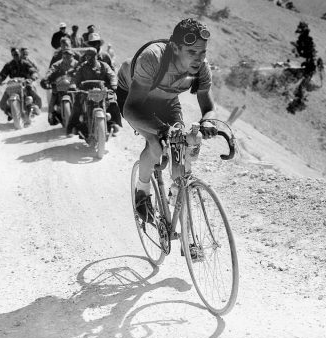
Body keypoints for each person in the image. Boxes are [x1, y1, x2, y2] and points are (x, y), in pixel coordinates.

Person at [120, 18, 218, 221]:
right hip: (135, 99)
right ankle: (142, 191)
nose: (198, 58)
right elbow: (130, 110)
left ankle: (176, 188)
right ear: (174, 48)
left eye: (202, 52)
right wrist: (161, 130)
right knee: (156, 144)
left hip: (167, 99)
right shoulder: (152, 58)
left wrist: (208, 122)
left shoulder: (201, 68)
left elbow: (209, 108)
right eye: (192, 52)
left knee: (180, 142)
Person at [68, 47, 121, 137]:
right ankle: (73, 127)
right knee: (77, 106)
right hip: (86, 92)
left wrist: (113, 84)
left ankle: (112, 123)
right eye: (87, 56)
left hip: (101, 91)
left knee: (113, 103)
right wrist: (73, 85)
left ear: (96, 56)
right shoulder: (82, 67)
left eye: (91, 56)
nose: (89, 58)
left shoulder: (103, 65)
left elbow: (112, 75)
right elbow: (76, 77)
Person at [0, 48, 42, 120]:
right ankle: (11, 112)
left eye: (17, 54)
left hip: (25, 84)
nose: (15, 56)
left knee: (34, 93)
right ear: (12, 55)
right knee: (2, 104)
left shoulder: (26, 63)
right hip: (13, 85)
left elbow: (33, 71)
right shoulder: (9, 65)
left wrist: (32, 77)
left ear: (20, 54)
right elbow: (3, 74)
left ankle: (35, 108)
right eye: (14, 55)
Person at [41, 49, 79, 125]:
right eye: (65, 56)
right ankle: (51, 115)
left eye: (69, 56)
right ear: (62, 56)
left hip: (73, 85)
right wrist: (46, 78)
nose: (67, 58)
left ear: (72, 56)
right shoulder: (58, 64)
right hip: (60, 84)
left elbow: (82, 70)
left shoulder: (77, 64)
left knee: (82, 96)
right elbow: (51, 70)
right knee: (54, 95)